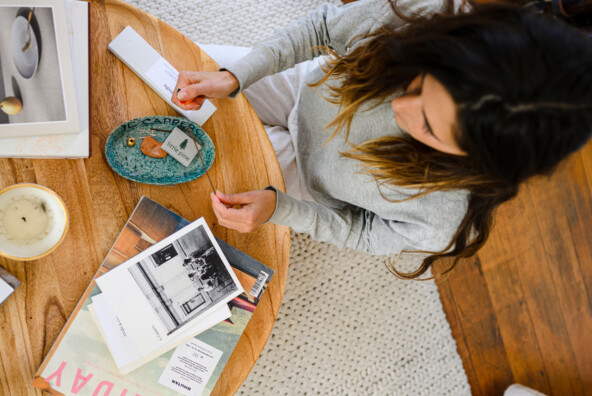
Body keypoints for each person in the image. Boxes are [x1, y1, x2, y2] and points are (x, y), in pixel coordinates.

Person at [171, 0, 592, 279]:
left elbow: (365, 233)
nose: (399, 110)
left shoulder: (443, 216)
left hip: (306, 180)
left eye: (427, 127)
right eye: (419, 83)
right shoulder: (423, 17)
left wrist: (283, 210)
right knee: (173, 72)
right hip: (303, 87)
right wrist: (237, 76)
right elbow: (319, 28)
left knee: (179, 184)